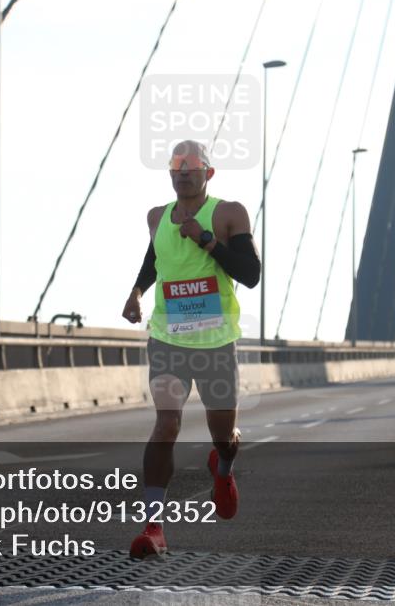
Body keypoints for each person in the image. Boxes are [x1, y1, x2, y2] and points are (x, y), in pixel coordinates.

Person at [122, 140, 261, 559]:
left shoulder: (227, 213)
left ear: (208, 172)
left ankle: (223, 467)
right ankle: (153, 528)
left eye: (191, 164)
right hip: (168, 338)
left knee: (224, 436)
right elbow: (156, 257)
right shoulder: (156, 217)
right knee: (166, 425)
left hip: (216, 342)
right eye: (175, 165)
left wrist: (205, 239)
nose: (182, 171)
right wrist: (136, 292)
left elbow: (250, 274)